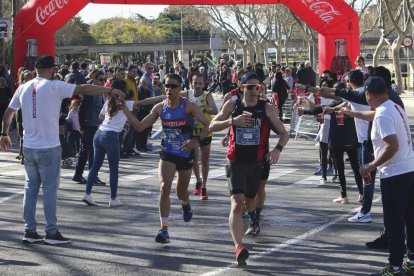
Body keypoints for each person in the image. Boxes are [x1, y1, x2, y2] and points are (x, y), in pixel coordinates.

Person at [0, 56, 124, 245]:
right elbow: (84, 89)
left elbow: (8, 113)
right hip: (49, 146)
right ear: (51, 70)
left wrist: (4, 133)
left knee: (30, 189)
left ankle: (29, 230)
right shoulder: (54, 86)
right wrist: (109, 89)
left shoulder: (23, 87)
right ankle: (51, 232)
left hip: (29, 147)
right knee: (49, 191)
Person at [209, 71, 289, 266]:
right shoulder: (232, 105)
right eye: (250, 87)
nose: (254, 91)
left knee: (250, 200)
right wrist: (231, 122)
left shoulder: (267, 109)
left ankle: (254, 218)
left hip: (256, 163)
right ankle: (239, 247)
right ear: (242, 87)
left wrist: (277, 149)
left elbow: (284, 134)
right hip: (235, 162)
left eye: (258, 87)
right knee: (237, 204)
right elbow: (211, 126)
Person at [122, 73, 210, 244]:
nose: (170, 89)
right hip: (168, 152)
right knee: (164, 187)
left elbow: (208, 125)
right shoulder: (160, 108)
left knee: (180, 192)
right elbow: (140, 127)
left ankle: (185, 203)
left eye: (174, 86)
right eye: (167, 86)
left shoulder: (189, 107)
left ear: (180, 89)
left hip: (185, 154)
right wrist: (125, 110)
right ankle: (164, 229)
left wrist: (195, 140)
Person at [357, 76, 414, 276]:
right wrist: (350, 113)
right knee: (409, 219)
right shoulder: (393, 106)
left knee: (394, 223)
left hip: (395, 174)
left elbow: (392, 145)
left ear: (368, 95)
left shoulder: (382, 114)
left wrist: (371, 165)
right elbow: (372, 115)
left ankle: (395, 266)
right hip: (409, 169)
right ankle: (411, 261)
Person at [82, 79, 134, 207]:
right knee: (113, 169)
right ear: (122, 90)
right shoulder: (126, 103)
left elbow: (101, 117)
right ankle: (113, 198)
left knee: (95, 166)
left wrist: (116, 120)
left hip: (99, 133)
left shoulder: (108, 102)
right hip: (111, 136)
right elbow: (145, 102)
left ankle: (87, 194)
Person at [187, 73, 218, 199]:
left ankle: (204, 187)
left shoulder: (207, 95)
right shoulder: (188, 94)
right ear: (191, 83)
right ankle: (198, 181)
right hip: (192, 131)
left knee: (204, 161)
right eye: (195, 83)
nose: (198, 86)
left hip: (205, 131)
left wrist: (203, 110)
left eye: (200, 83)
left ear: (204, 84)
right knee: (194, 159)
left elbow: (215, 110)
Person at [73, 71, 107, 185]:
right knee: (93, 152)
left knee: (85, 151)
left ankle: (78, 175)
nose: (103, 82)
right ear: (94, 79)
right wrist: (82, 126)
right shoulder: (90, 93)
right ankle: (93, 176)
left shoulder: (100, 92)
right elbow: (82, 110)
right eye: (101, 79)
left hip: (96, 124)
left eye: (104, 79)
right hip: (89, 125)